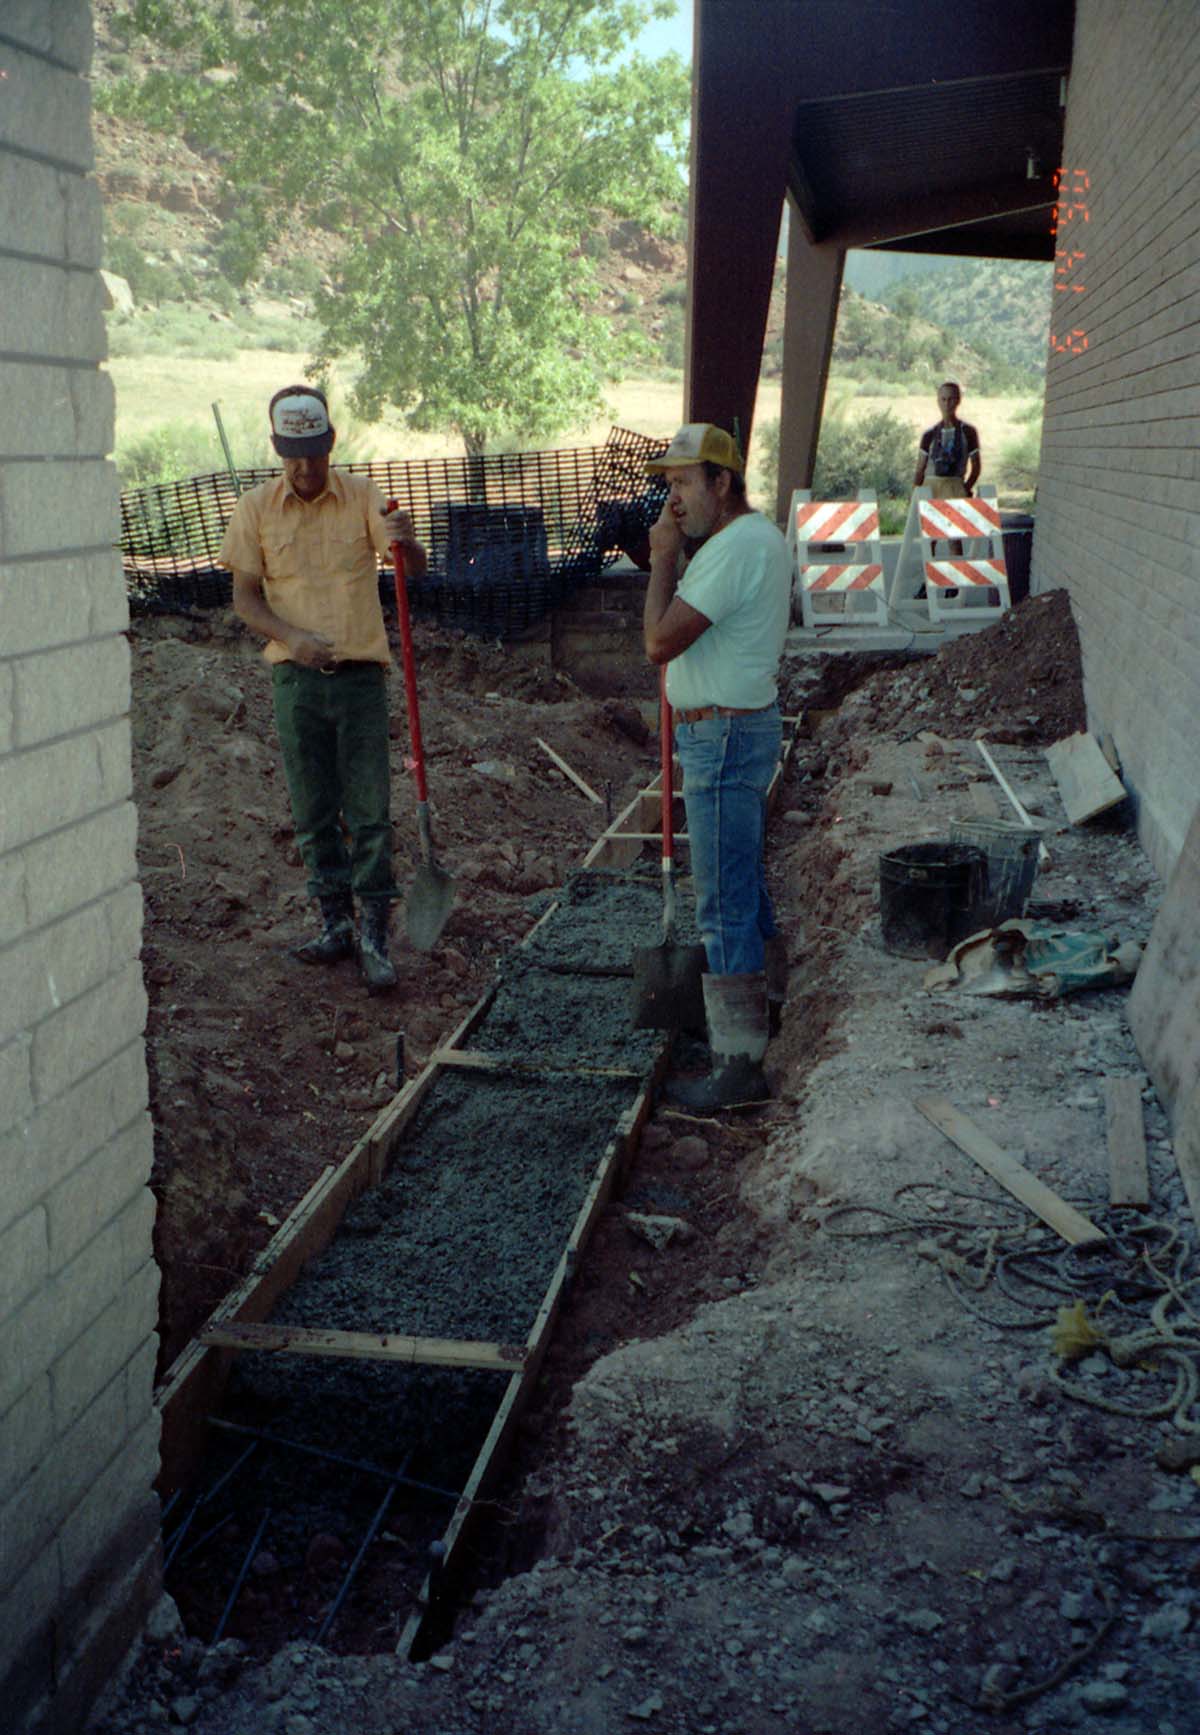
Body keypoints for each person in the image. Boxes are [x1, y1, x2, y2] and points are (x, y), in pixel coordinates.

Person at [220, 383, 427, 994]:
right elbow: (244, 599)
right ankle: (334, 923)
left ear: (331, 442)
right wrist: (291, 636)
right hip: (296, 681)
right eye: (293, 453)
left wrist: (407, 539)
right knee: (312, 811)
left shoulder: (363, 498)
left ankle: (373, 934)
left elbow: (410, 569)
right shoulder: (255, 509)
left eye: (314, 451)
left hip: (361, 681)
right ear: (278, 449)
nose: (306, 466)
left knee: (369, 812)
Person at [643, 423, 792, 1110]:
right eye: (668, 484)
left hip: (723, 737)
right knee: (741, 881)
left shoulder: (734, 550)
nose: (672, 499)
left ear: (721, 482)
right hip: (730, 730)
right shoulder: (742, 543)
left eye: (681, 483)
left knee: (723, 901)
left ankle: (737, 1066)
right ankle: (769, 1006)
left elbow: (658, 641)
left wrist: (661, 561)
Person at [913, 382, 982, 563]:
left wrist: (965, 488)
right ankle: (928, 584)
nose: (946, 403)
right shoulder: (929, 435)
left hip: (954, 486)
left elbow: (976, 467)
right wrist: (915, 492)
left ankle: (954, 585)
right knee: (930, 539)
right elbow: (920, 467)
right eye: (943, 399)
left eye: (951, 399)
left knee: (954, 538)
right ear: (937, 401)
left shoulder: (968, 432)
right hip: (931, 487)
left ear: (958, 401)